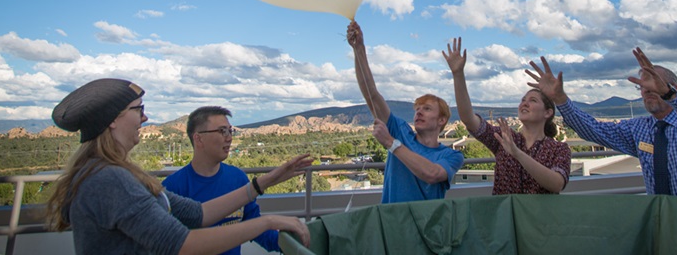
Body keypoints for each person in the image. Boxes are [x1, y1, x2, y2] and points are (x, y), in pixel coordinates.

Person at [45, 78, 311, 255]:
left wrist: (265, 182)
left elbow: (198, 214)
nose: (145, 117)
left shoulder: (115, 174)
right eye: (139, 109)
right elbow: (182, 244)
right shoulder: (109, 180)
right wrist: (268, 222)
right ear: (113, 119)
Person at [527, 48, 677, 200]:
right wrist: (561, 99)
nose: (646, 90)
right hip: (664, 219)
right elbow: (595, 130)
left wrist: (669, 95)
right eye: (641, 86)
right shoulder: (639, 129)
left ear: (672, 88)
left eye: (652, 84)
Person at [163, 106, 312, 255]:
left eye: (230, 131)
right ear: (198, 138)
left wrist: (295, 241)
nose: (229, 138)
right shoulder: (172, 188)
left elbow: (257, 230)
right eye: (222, 131)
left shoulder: (237, 179)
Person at [347, 21, 464, 203]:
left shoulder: (451, 156)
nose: (418, 112)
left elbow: (432, 174)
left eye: (426, 109)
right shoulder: (401, 130)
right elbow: (372, 95)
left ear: (442, 120)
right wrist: (359, 49)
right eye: (417, 108)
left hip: (427, 229)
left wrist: (391, 143)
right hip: (392, 225)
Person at [445, 37, 571, 194]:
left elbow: (557, 184)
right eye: (523, 100)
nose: (524, 103)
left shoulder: (558, 149)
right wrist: (458, 74)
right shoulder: (503, 138)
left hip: (539, 218)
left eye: (532, 100)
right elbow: (468, 119)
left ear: (548, 112)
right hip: (505, 217)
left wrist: (517, 153)